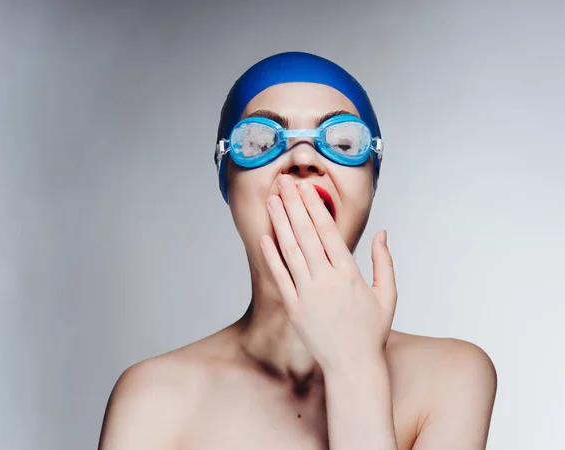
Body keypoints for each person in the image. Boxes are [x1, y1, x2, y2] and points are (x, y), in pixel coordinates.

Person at [98, 52, 497, 450]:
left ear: (371, 181)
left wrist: (354, 366)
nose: (303, 158)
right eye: (261, 141)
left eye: (342, 142)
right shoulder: (152, 398)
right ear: (228, 182)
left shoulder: (453, 376)